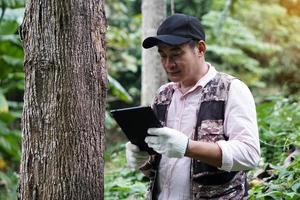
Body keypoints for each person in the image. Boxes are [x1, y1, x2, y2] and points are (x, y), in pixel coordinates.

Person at [125, 13, 260, 200]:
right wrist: (141, 158)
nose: (168, 64)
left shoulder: (230, 89)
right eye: (163, 55)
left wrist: (187, 147)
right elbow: (159, 167)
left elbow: (249, 154)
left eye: (176, 54)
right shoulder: (163, 96)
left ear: (200, 48)